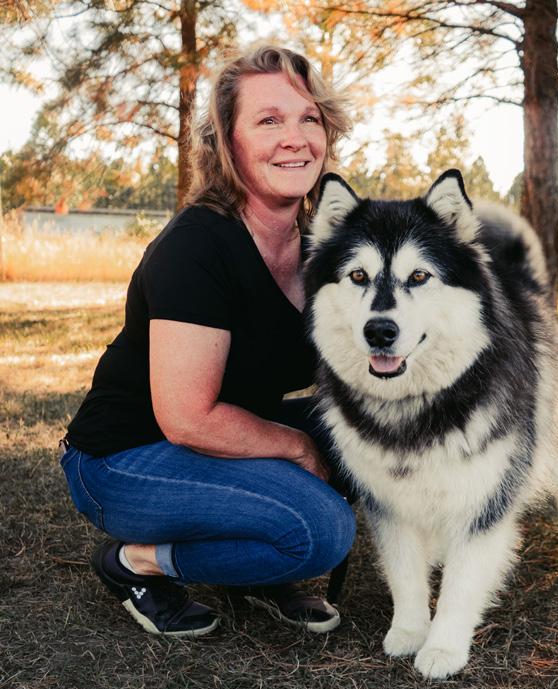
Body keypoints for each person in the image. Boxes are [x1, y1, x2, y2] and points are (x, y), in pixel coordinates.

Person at [59, 44, 356, 638]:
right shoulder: (196, 246)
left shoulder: (318, 244)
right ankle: (135, 563)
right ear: (227, 142)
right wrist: (298, 449)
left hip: (225, 433)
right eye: (268, 120)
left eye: (309, 118)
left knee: (364, 430)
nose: (295, 138)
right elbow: (187, 417)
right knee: (321, 531)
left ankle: (257, 558)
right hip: (126, 458)